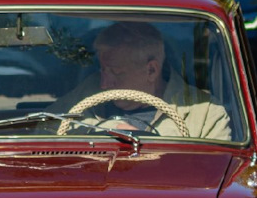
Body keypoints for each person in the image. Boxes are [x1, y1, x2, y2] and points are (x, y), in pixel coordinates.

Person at [54, 20, 232, 140]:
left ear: (151, 70)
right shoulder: (89, 91)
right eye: (103, 70)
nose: (104, 84)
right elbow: (44, 131)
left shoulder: (205, 114)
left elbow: (211, 177)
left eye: (116, 72)